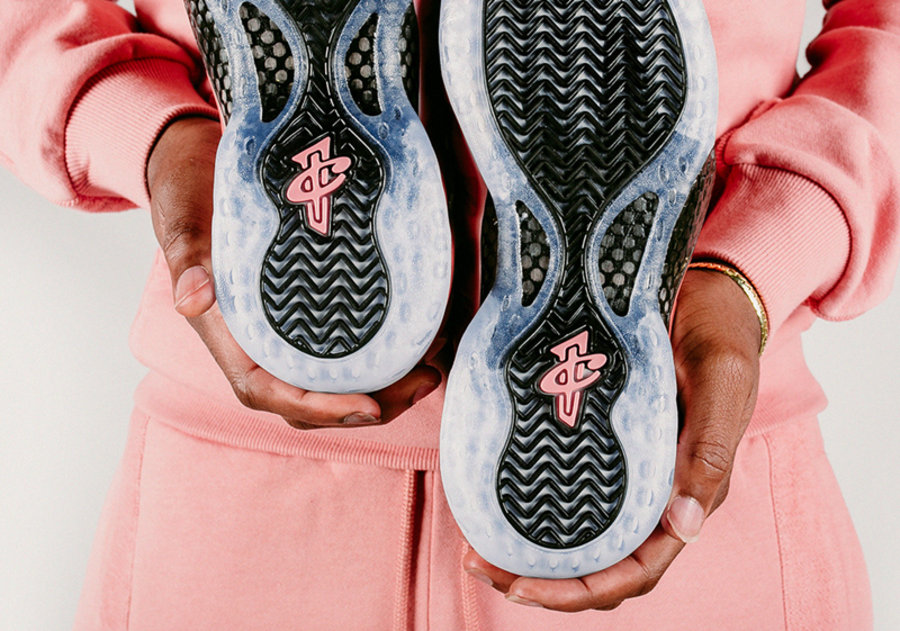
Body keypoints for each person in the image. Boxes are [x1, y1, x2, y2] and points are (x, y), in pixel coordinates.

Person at [0, 0, 896, 628]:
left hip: (683, 429)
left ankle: (309, 165)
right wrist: (152, 131)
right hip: (640, 435)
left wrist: (756, 264)